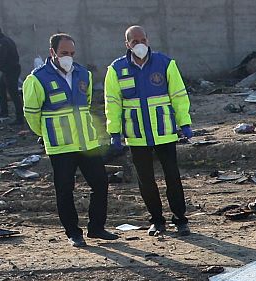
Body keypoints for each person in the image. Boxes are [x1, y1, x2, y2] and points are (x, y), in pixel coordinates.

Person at [25, 33, 113, 247]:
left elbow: (88, 103)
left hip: (87, 142)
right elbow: (31, 113)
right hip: (61, 146)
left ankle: (97, 228)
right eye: (64, 53)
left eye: (72, 53)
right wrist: (47, 134)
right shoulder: (37, 79)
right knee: (65, 190)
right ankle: (73, 233)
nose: (69, 57)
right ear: (52, 52)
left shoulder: (84, 74)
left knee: (100, 183)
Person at [105, 25, 193, 237]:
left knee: (173, 177)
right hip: (137, 135)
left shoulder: (165, 64)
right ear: (127, 44)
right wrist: (114, 132)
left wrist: (185, 123)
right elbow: (112, 103)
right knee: (146, 181)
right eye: (134, 41)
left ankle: (180, 219)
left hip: (164, 131)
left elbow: (179, 95)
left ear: (148, 39)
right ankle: (157, 220)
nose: (139, 44)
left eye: (142, 39)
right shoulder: (116, 69)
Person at [0, 24, 21, 119]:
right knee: (0, 87)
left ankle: (19, 117)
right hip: (9, 70)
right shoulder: (4, 40)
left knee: (13, 93)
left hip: (11, 70)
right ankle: (4, 112)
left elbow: (1, 57)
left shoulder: (2, 42)